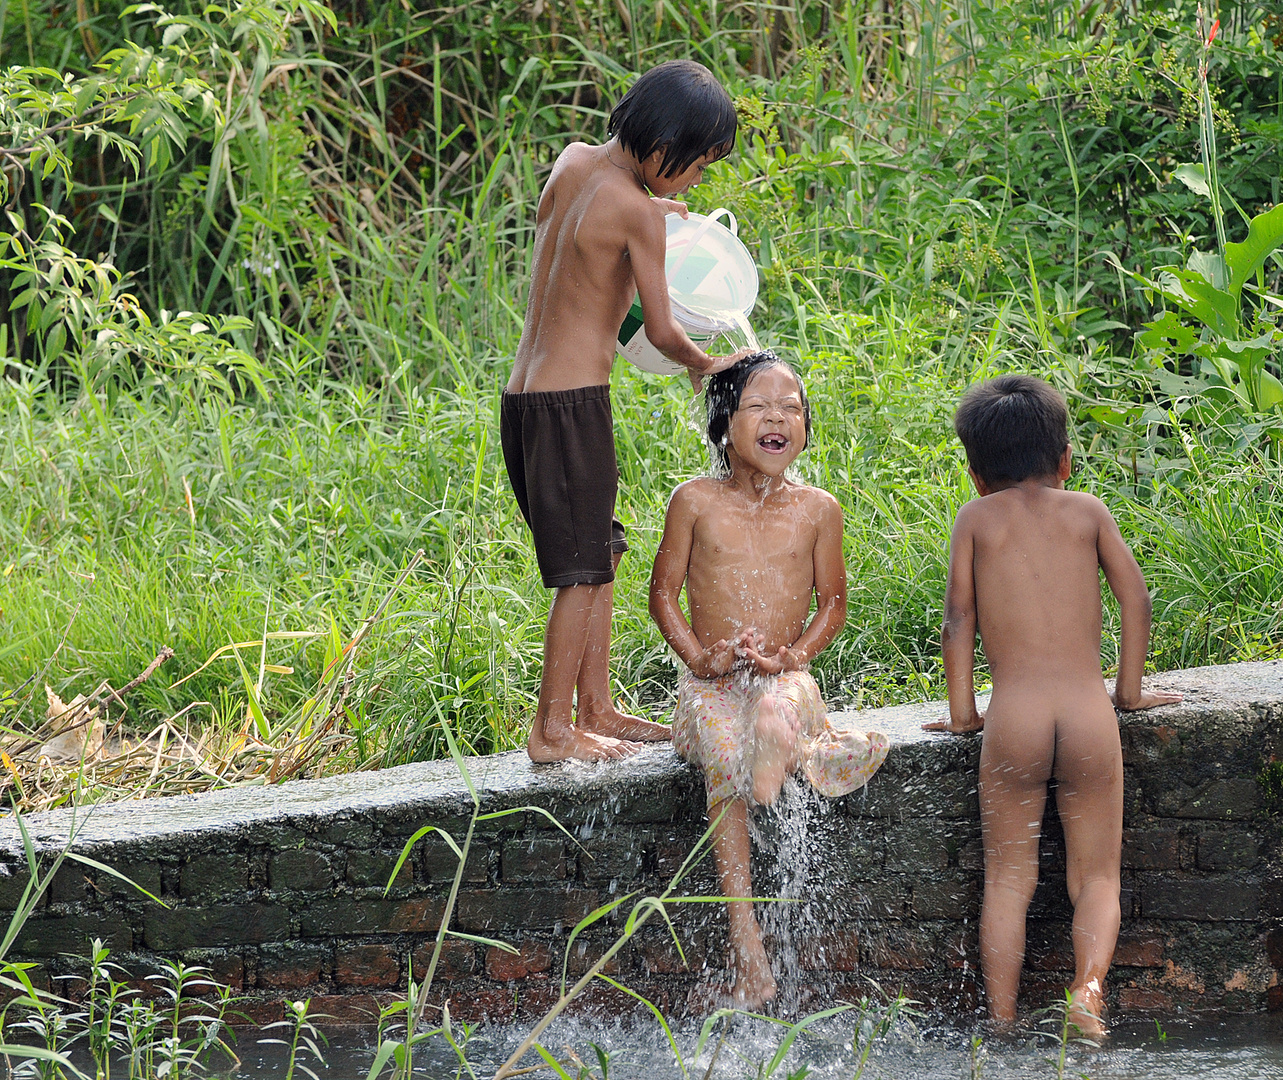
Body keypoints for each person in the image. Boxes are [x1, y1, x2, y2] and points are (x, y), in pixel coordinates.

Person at [502, 60, 753, 763]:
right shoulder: (639, 213)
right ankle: (552, 731)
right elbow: (666, 331)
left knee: (599, 551)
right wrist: (709, 365)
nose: (696, 183)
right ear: (663, 143)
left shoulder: (575, 161)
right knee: (581, 569)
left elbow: (585, 234)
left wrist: (655, 210)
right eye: (696, 166)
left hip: (523, 402)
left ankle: (597, 707)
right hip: (572, 405)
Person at [924, 374, 1182, 1037]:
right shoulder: (1088, 511)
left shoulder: (975, 519)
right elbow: (1135, 598)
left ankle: (1003, 1023)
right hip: (1088, 716)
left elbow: (958, 619)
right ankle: (1086, 992)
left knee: (1008, 881)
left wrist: (962, 715)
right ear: (1064, 459)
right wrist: (1127, 693)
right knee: (1095, 878)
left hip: (1013, 720)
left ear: (975, 473)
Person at [649, 351, 889, 1008]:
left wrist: (791, 656)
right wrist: (699, 657)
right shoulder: (693, 501)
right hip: (712, 686)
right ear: (723, 423)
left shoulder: (817, 509)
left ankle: (776, 734)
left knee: (778, 707)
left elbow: (833, 603)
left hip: (783, 678)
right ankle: (749, 950)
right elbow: (662, 594)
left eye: (791, 408)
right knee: (725, 752)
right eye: (760, 406)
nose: (778, 416)